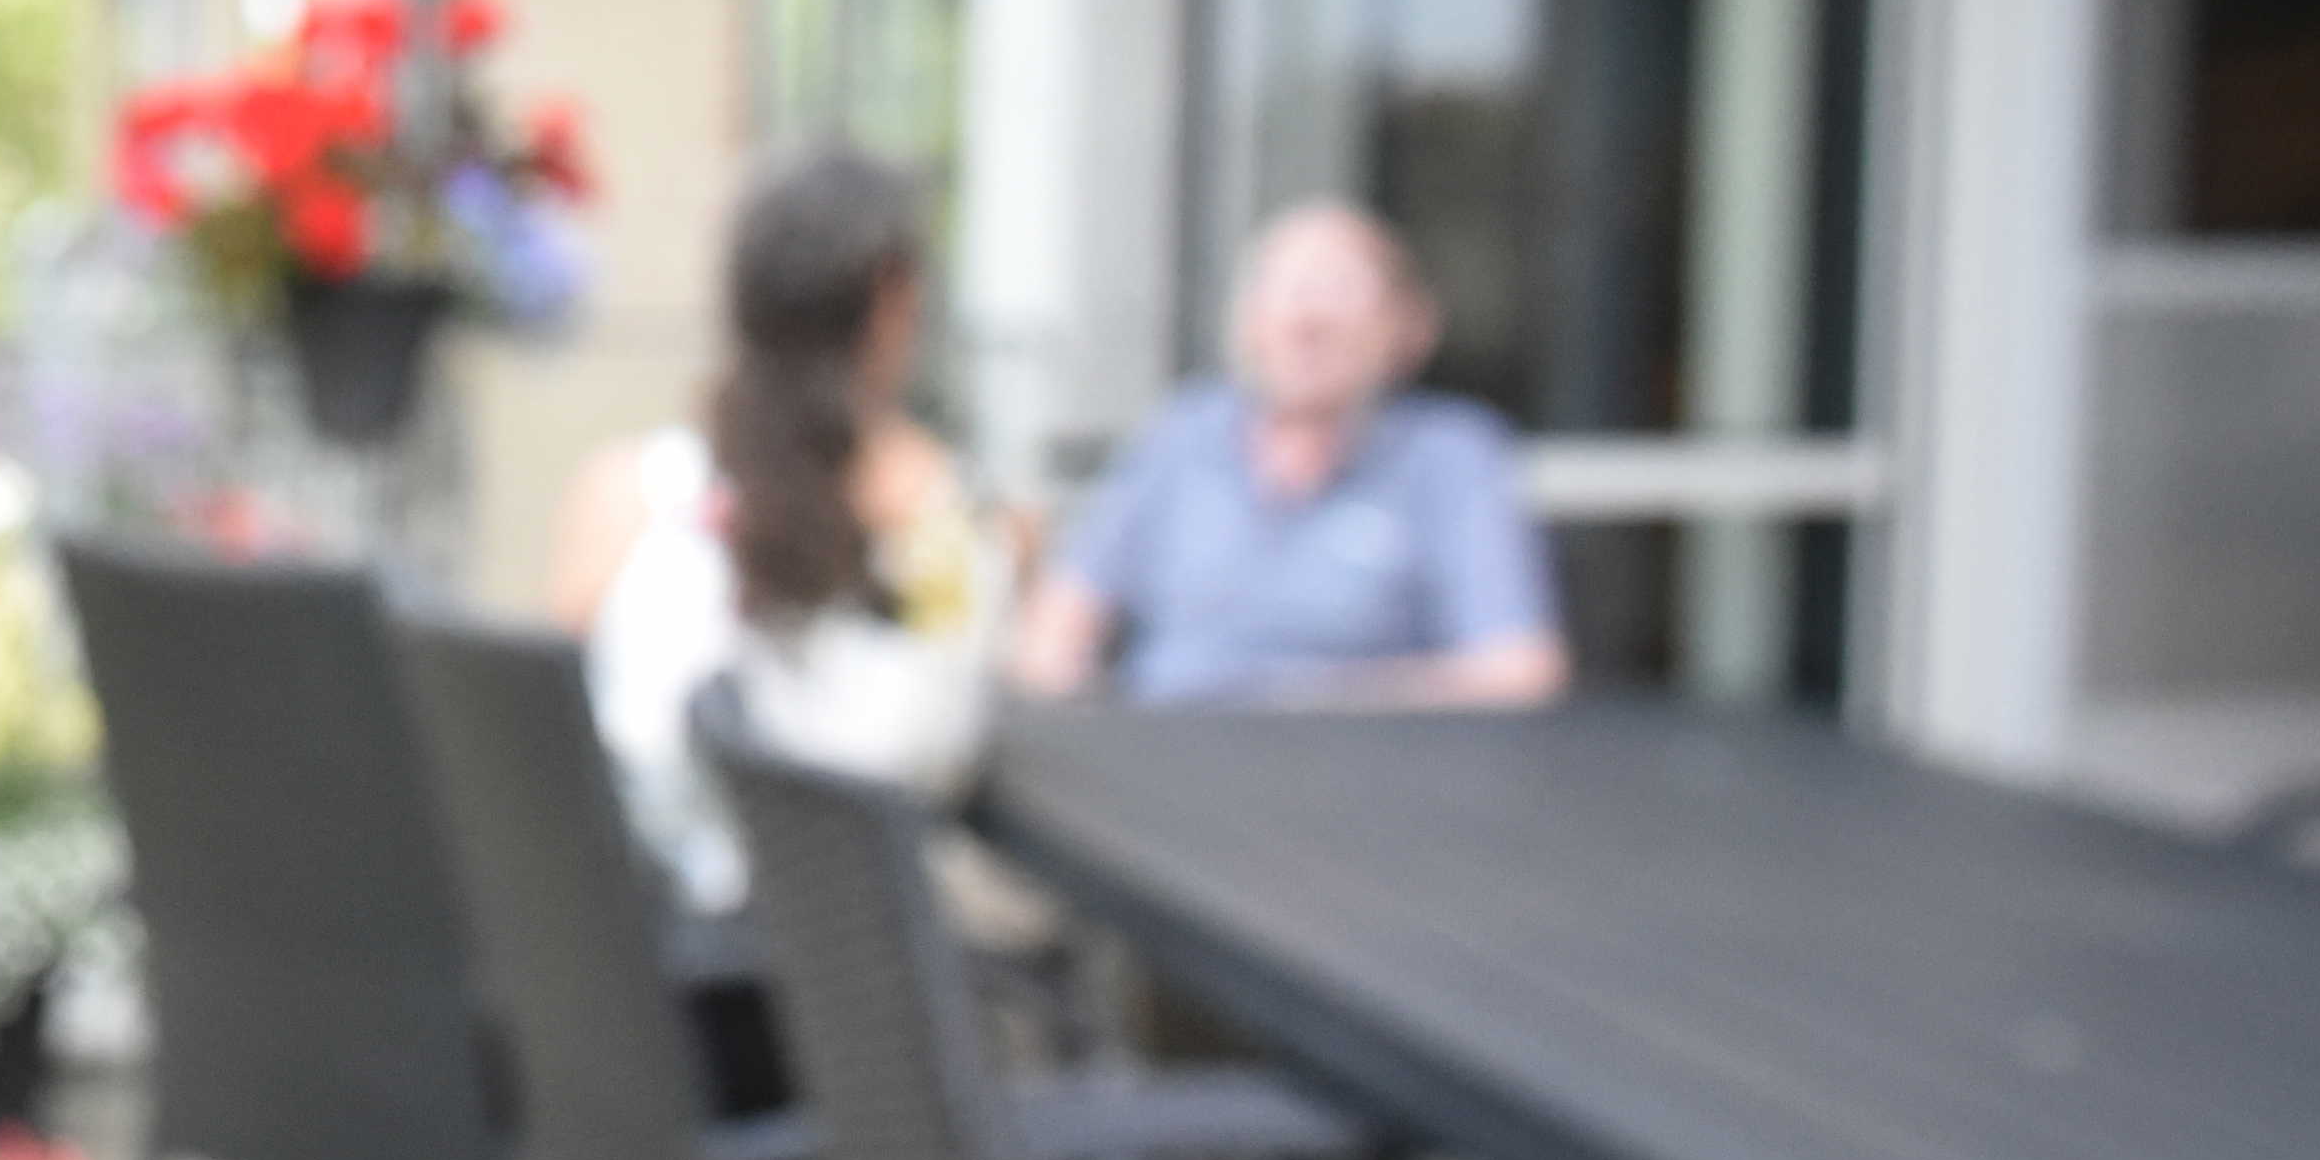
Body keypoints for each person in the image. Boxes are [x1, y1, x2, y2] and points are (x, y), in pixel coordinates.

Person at [554, 145, 1001, 916]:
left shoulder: (619, 497)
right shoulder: (935, 516)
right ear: (892, 296)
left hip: (639, 980)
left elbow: (554, 749)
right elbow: (941, 750)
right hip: (849, 996)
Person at [1010, 200, 1566, 708]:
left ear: (1407, 329)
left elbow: (1519, 669)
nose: (1304, 323)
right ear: (1249, 323)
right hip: (1166, 766)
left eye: (1336, 298)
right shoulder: (1183, 435)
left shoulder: (1451, 455)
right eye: (1286, 296)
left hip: (1368, 781)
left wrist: (1304, 702)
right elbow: (1058, 625)